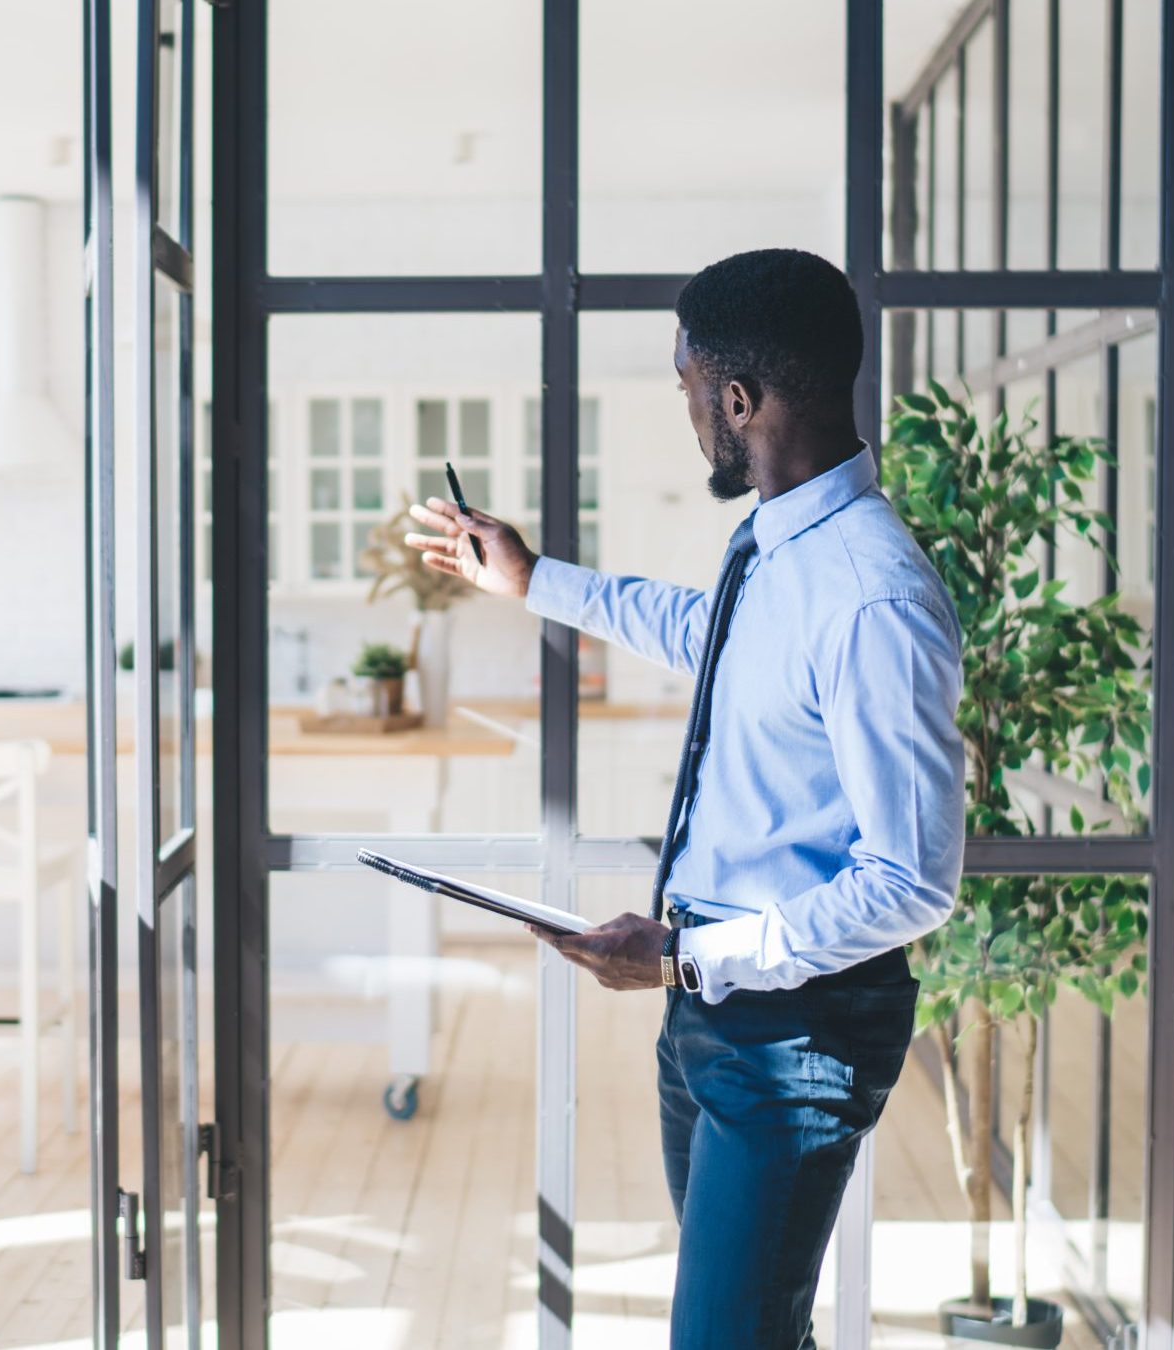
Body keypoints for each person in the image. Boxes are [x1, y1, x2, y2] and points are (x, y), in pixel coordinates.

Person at [405, 248, 967, 1350]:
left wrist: (681, 959)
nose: (688, 410)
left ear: (740, 401)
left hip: (790, 1035)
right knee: (761, 1331)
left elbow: (910, 881)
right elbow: (695, 633)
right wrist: (529, 580)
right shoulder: (774, 546)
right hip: (708, 1011)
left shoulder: (870, 596)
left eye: (688, 388)